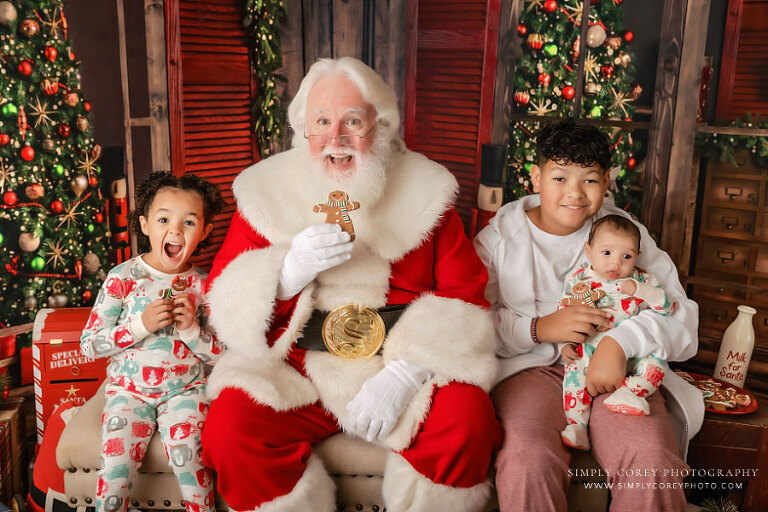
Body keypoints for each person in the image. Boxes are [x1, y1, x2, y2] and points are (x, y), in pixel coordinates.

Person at [200, 57, 502, 512]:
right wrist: (284, 275)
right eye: (321, 121)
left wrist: (407, 372)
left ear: (381, 127)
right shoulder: (266, 191)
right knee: (230, 428)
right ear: (303, 129)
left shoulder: (427, 190)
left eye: (352, 121)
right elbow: (222, 297)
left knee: (468, 420)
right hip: (297, 364)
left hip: (395, 363)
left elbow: (466, 298)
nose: (335, 138)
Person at [474, 120, 704, 512]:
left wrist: (619, 342)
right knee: (528, 460)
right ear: (536, 176)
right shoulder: (498, 239)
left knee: (651, 464)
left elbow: (683, 322)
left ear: (607, 181)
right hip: (530, 372)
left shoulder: (625, 235)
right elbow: (469, 324)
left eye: (590, 180)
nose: (575, 194)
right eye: (560, 177)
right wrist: (538, 328)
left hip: (620, 374)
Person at [80, 172, 225, 512]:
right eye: (164, 219)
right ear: (145, 224)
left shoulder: (206, 286)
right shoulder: (122, 278)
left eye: (188, 222)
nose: (175, 230)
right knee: (115, 473)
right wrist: (139, 325)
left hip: (185, 390)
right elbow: (89, 346)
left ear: (204, 231)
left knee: (190, 458)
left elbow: (222, 357)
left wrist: (191, 329)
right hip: (128, 391)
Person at [557, 214, 674, 451]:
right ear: (588, 251)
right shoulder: (579, 279)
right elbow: (564, 312)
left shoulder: (641, 279)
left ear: (637, 257)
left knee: (657, 363)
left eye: (626, 256)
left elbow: (667, 306)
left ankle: (632, 393)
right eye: (606, 253)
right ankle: (578, 426)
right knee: (573, 375)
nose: (615, 263)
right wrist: (565, 345)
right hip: (588, 346)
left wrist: (641, 289)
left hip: (629, 351)